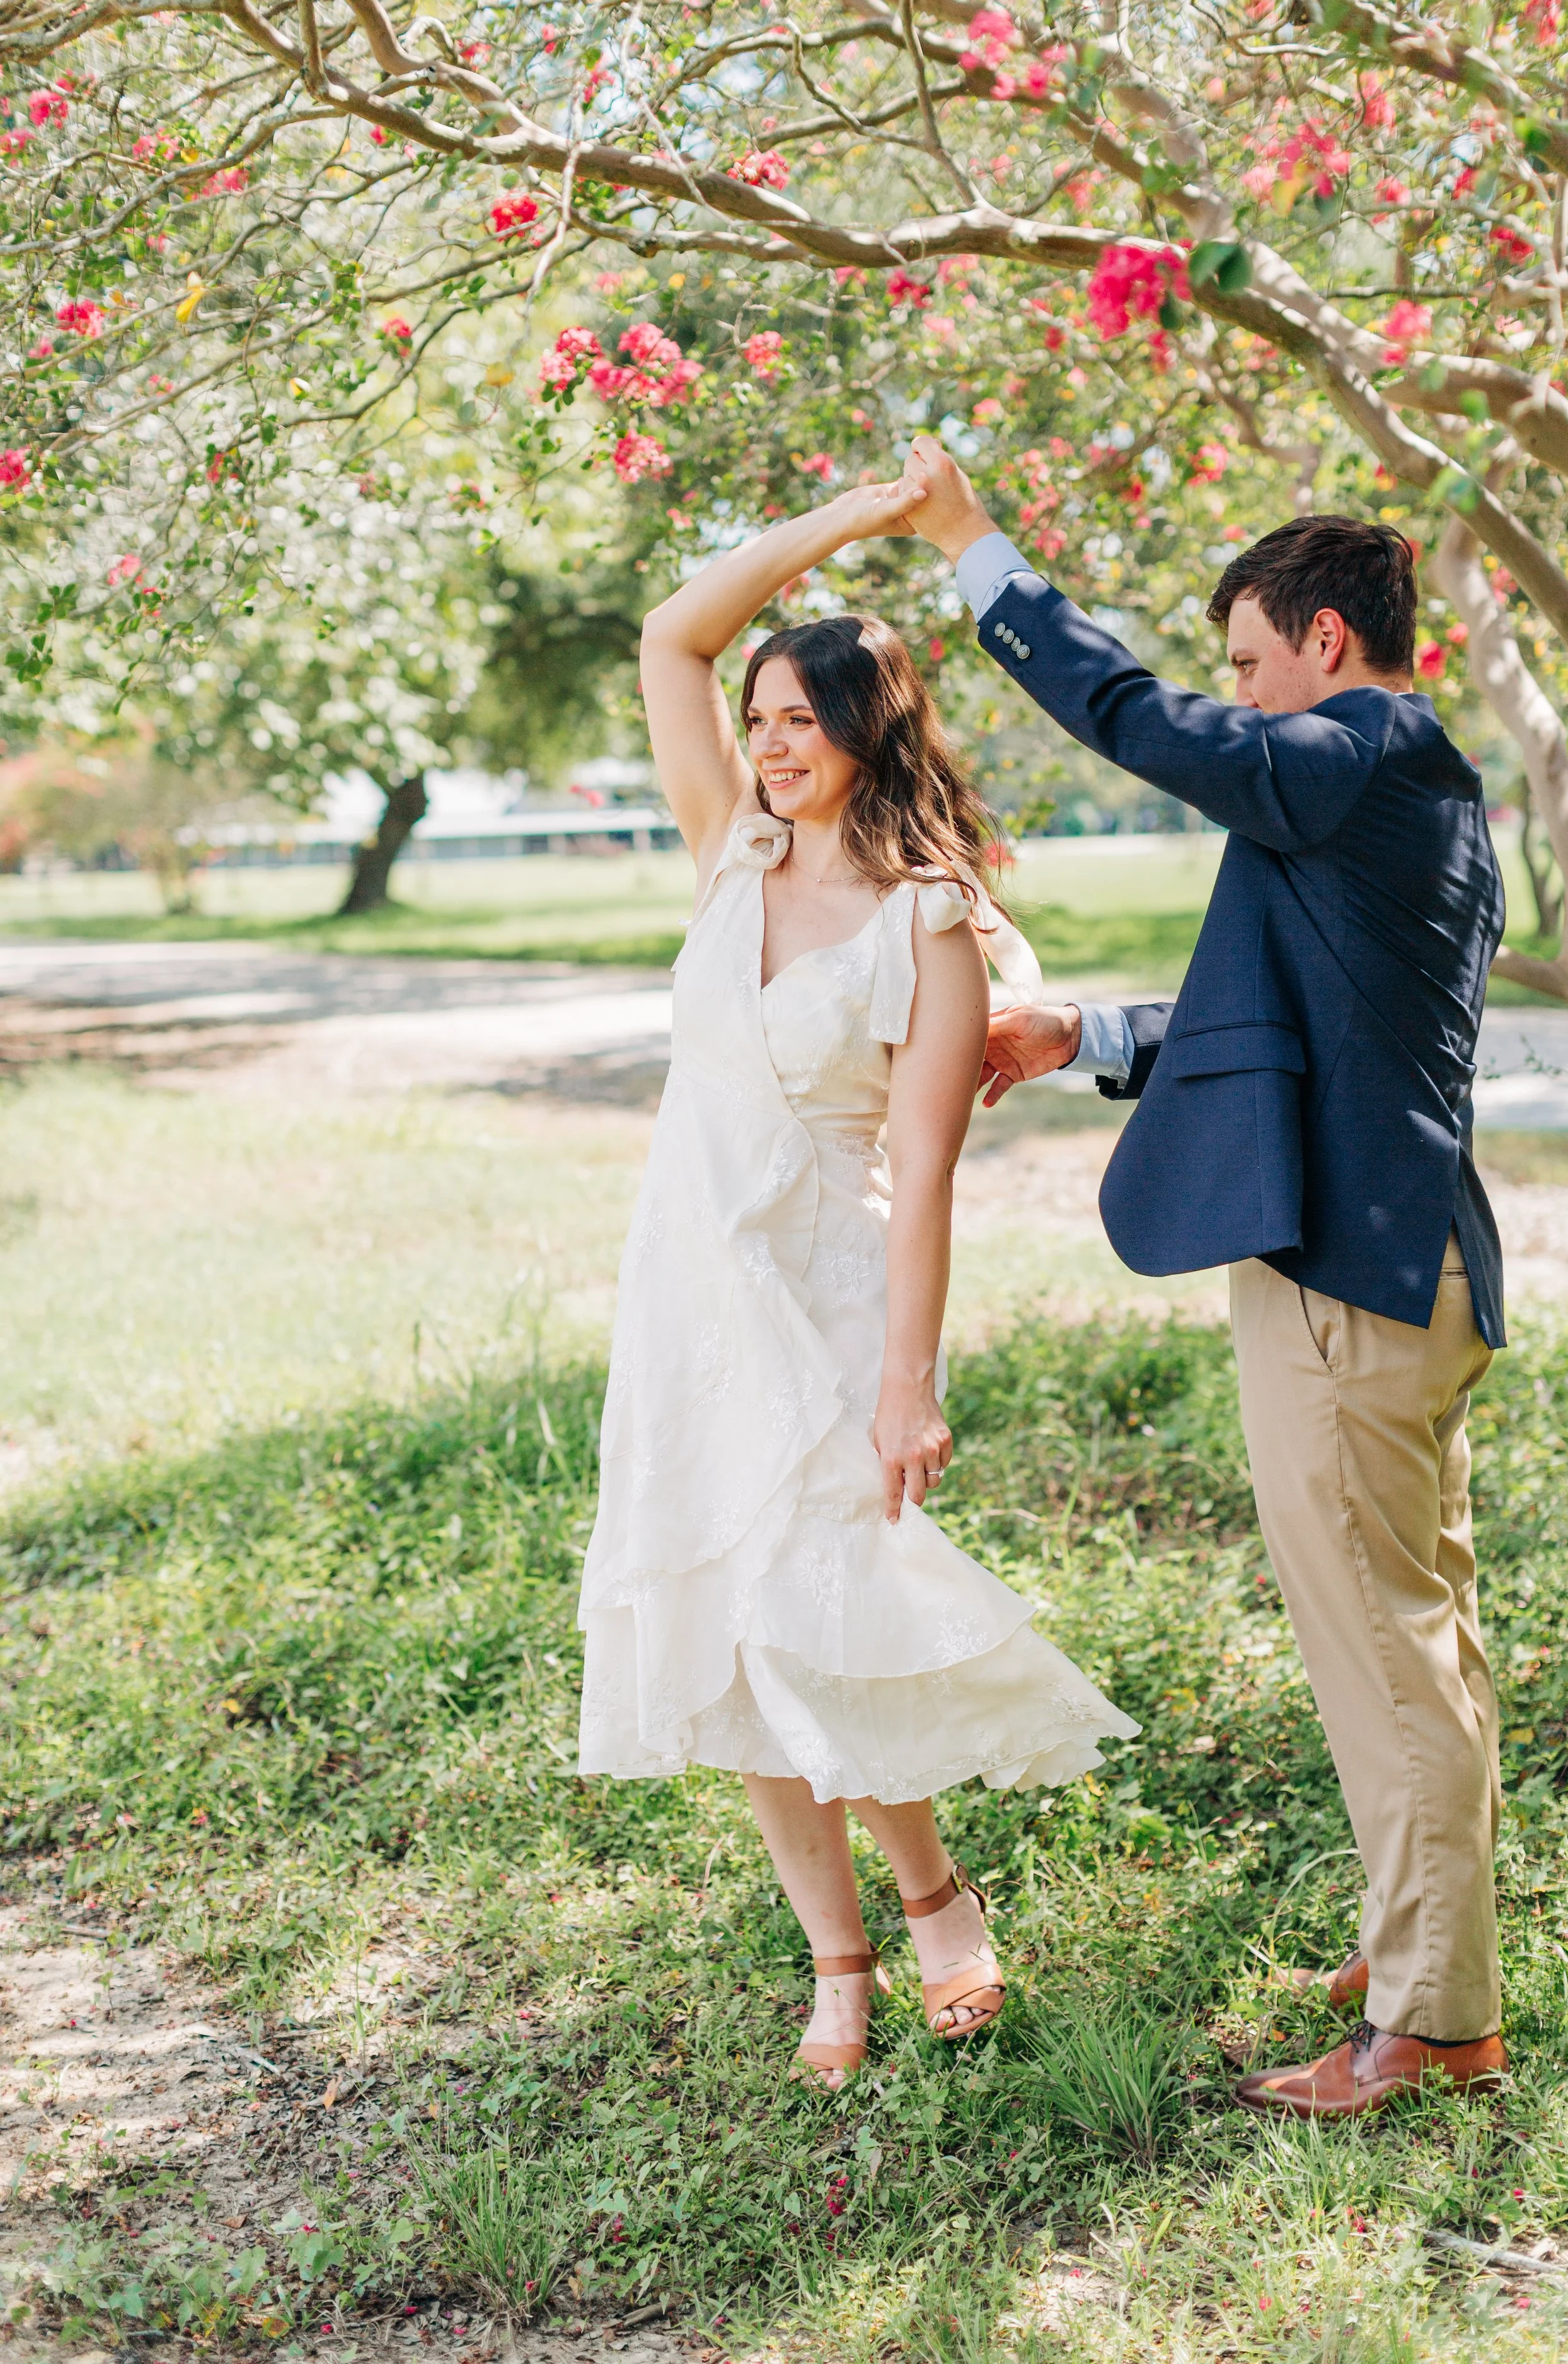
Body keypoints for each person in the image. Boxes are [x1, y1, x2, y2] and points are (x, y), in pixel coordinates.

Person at [902, 436, 1509, 2121]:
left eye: (1248, 663)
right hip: (1411, 1258)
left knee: (1382, 1650)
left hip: (1346, 1276)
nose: (1233, 700)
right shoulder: (1416, 791)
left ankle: (1432, 2019)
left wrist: (982, 558)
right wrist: (1083, 1034)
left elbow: (1137, 719)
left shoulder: (1357, 744)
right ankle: (1424, 1941)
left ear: (1326, 644)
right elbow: (1311, 1032)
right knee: (1426, 1636)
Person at [575, 477, 1138, 2089]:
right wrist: (853, 518)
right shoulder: (722, 854)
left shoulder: (928, 924)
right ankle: (836, 1959)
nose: (768, 743)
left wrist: (908, 1377)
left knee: (826, 1622)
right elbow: (669, 632)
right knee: (733, 1639)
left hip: (825, 1307)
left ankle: (931, 1892)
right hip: (686, 1305)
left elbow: (924, 1176)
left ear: (867, 731)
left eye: (802, 718)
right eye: (757, 718)